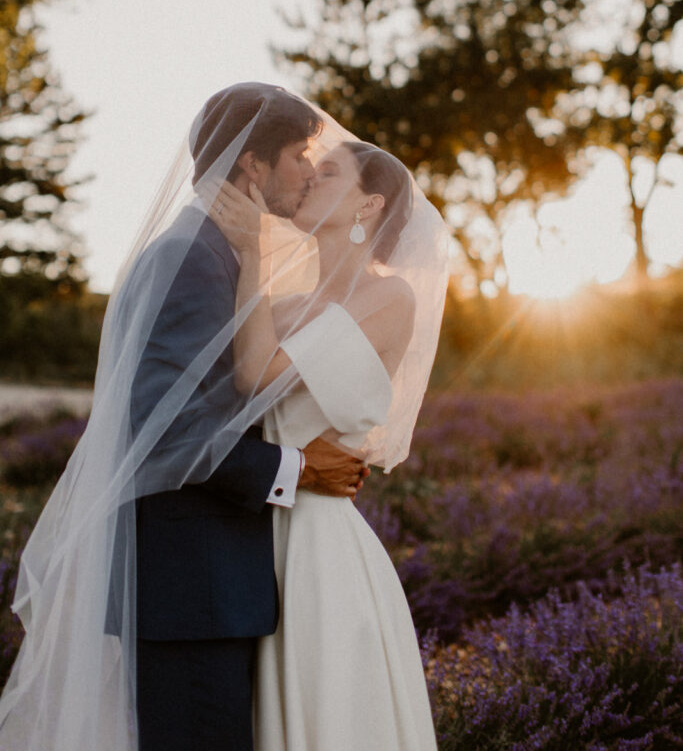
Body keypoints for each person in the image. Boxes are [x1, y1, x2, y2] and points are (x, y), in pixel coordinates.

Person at [0, 84, 373, 751]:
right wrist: (298, 468)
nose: (307, 172)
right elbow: (169, 433)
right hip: (191, 593)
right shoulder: (189, 260)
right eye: (297, 155)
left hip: (209, 587)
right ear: (251, 166)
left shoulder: (214, 254)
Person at [207, 137, 449, 749]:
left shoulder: (389, 295)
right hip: (253, 536)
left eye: (331, 172)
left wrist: (254, 255)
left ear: (368, 206)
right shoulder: (282, 304)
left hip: (318, 548)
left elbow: (255, 374)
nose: (311, 177)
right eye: (311, 168)